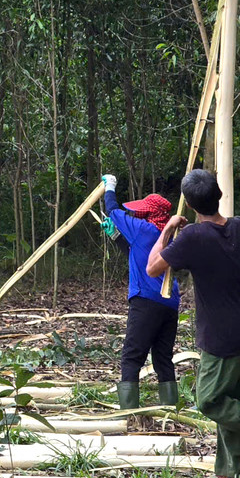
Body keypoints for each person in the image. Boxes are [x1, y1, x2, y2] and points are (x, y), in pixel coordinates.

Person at [146, 169, 240, 478]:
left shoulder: (192, 237)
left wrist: (167, 229)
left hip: (220, 337)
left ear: (189, 205)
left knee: (210, 401)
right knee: (232, 404)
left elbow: (152, 268)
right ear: (218, 196)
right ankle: (231, 471)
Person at [100, 173, 181, 410]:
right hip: (169, 303)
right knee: (162, 358)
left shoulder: (142, 228)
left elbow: (113, 210)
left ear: (150, 214)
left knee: (132, 356)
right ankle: (170, 409)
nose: (138, 213)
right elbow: (138, 255)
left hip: (146, 301)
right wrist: (115, 237)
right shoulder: (168, 235)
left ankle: (129, 412)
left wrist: (110, 187)